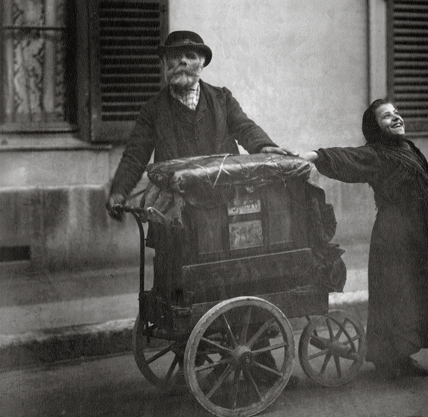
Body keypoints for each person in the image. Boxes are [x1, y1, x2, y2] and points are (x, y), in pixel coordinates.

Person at [106, 30, 298, 386]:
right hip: (177, 212)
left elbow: (245, 128)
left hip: (225, 208)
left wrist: (264, 146)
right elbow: (136, 154)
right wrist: (119, 191)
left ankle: (258, 356)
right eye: (175, 56)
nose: (183, 61)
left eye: (191, 56)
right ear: (165, 64)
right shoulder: (153, 110)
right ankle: (197, 349)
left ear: (201, 63)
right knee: (181, 281)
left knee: (239, 275)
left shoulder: (221, 99)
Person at [301, 99, 428, 379]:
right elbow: (349, 157)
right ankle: (388, 361)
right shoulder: (376, 155)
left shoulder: (410, 149)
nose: (396, 117)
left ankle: (403, 356)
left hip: (422, 235)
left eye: (396, 113)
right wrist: (316, 156)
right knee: (397, 296)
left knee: (415, 296)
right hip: (395, 238)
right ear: (375, 128)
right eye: (386, 116)